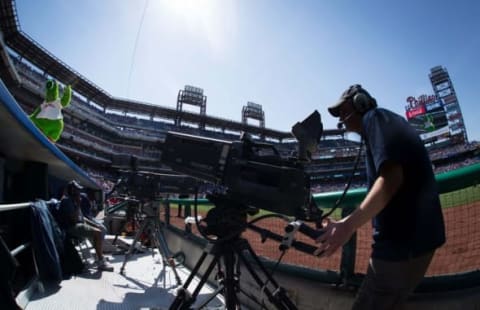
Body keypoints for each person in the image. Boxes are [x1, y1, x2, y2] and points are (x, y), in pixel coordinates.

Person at [316, 84, 446, 310]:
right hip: (416, 244)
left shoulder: (374, 118)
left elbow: (391, 178)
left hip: (398, 248)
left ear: (360, 103)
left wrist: (347, 225)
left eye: (343, 111)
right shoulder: (383, 123)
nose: (342, 120)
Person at [58, 180, 114, 272]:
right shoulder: (66, 201)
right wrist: (78, 205)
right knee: (97, 233)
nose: (79, 192)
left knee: (99, 228)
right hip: (72, 226)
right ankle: (101, 261)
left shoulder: (73, 200)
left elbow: (81, 217)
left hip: (80, 222)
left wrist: (94, 224)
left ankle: (99, 255)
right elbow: (74, 220)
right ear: (72, 191)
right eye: (77, 190)